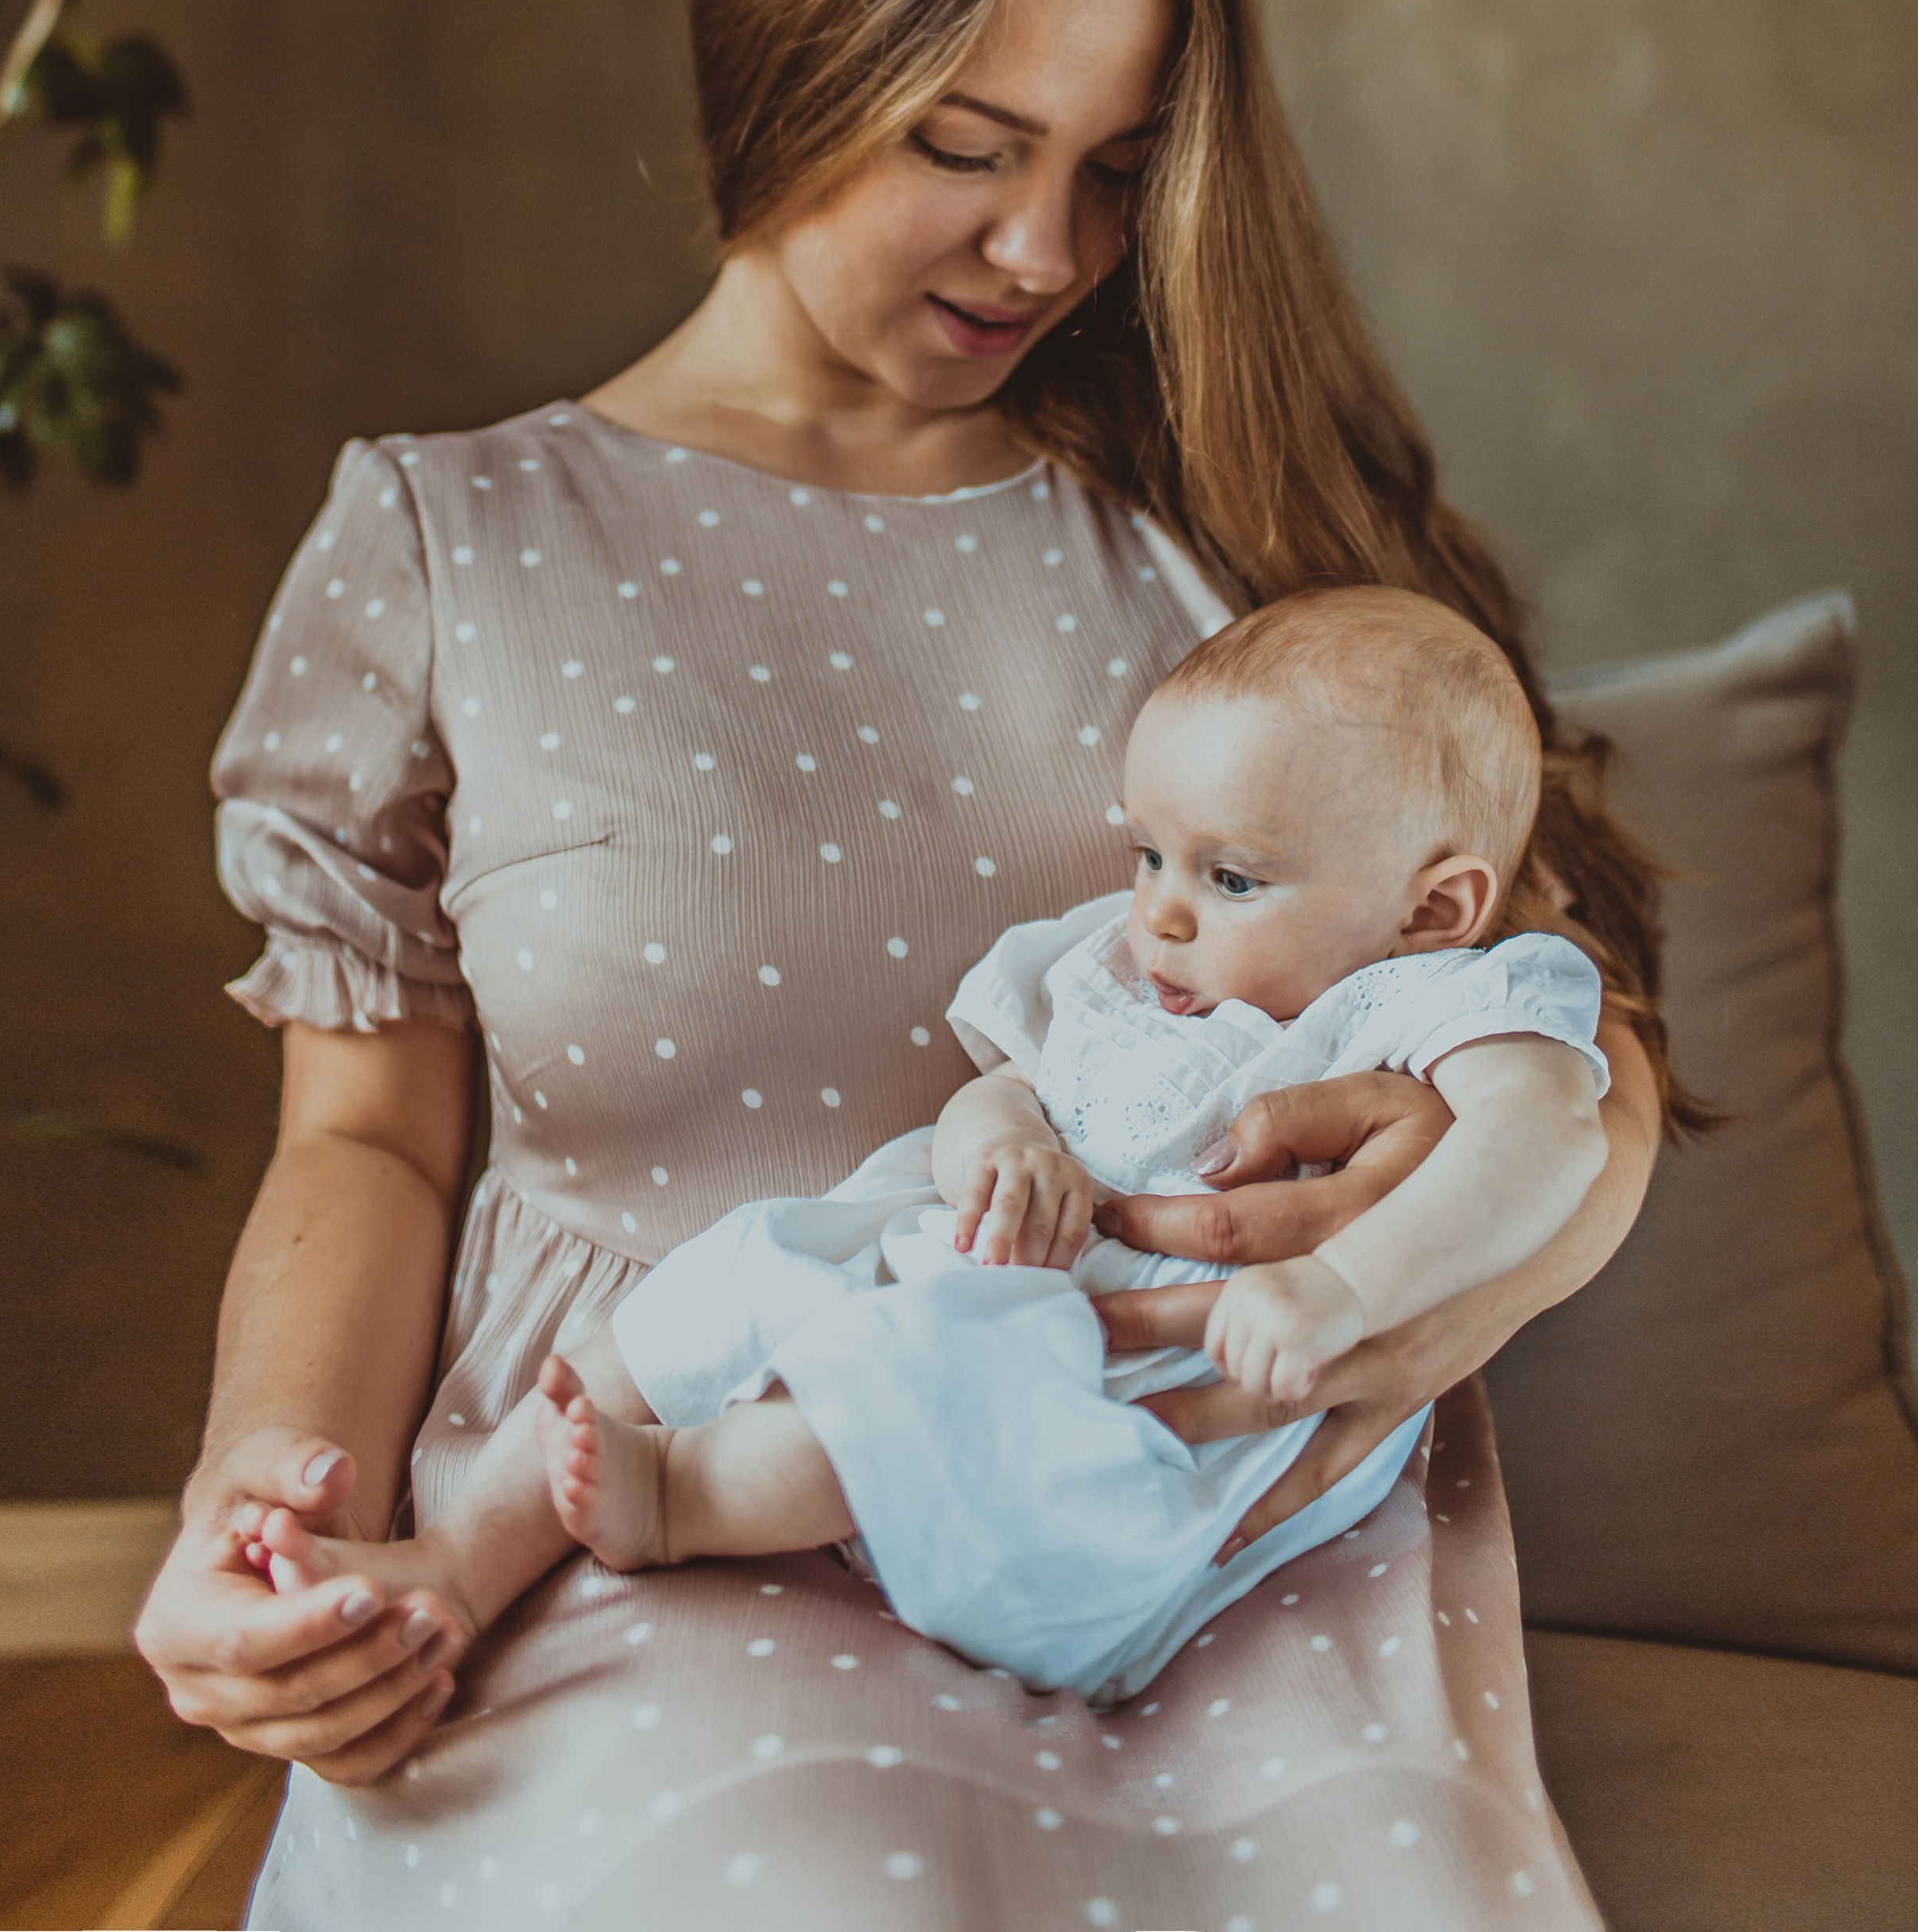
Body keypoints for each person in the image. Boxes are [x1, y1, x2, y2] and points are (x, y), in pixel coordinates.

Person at [137, 0, 1690, 1930]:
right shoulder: (448, 541)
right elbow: (365, 1141)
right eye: (966, 145)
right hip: (642, 1468)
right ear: (784, 61)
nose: (1044, 247)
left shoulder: (1210, 529)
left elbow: (1550, 1011)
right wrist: (252, 1496)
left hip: (1156, 1491)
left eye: (1121, 167)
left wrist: (1499, 1252)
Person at [239, 585, 1612, 1718]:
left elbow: (1540, 1141)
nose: (1165, 915)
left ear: (1434, 908)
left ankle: (681, 1495)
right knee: (739, 1267)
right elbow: (1003, 1084)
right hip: (951, 1264)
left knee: (948, 1384)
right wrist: (1006, 1133)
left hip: (1116, 1400)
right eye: (1149, 856)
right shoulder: (1119, 966)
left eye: (1231, 877)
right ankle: (459, 1567)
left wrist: (1345, 1288)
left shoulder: (1433, 1001)